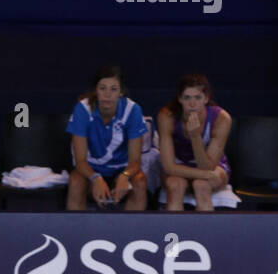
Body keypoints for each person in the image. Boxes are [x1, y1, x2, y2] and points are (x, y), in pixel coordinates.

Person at [66, 65, 148, 212]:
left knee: (140, 182)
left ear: (121, 92)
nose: (107, 94)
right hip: (90, 169)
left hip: (121, 169)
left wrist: (124, 176)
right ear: (95, 90)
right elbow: (80, 161)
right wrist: (96, 178)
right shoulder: (82, 110)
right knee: (75, 182)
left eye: (113, 89)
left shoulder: (133, 110)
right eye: (102, 88)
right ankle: (75, 233)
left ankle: (133, 233)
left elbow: (135, 161)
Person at [157, 73, 231, 213]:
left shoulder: (221, 119)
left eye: (197, 97)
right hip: (179, 166)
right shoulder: (166, 116)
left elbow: (208, 166)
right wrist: (205, 175)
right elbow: (168, 167)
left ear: (206, 98)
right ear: (179, 99)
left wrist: (196, 137)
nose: (192, 104)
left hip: (212, 166)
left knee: (201, 186)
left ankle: (205, 234)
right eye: (187, 98)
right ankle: (174, 233)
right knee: (174, 185)